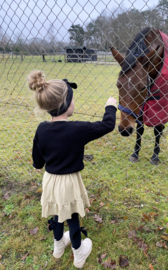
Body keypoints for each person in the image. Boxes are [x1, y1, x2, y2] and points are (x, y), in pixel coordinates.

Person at [28, 70, 117, 269]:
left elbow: (37, 158)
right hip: (69, 182)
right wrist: (110, 106)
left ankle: (58, 247)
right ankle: (79, 253)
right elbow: (107, 125)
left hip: (50, 180)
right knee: (72, 215)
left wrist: (37, 165)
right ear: (66, 104)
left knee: (57, 214)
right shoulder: (78, 129)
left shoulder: (42, 129)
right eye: (73, 100)